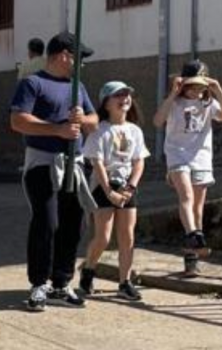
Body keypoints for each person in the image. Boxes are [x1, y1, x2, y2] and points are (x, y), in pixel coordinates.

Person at [9, 32, 99, 311]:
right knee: (47, 222)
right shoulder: (32, 83)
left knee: (74, 223)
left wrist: (82, 119)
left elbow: (94, 121)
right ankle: (39, 283)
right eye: (79, 58)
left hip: (75, 164)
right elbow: (18, 121)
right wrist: (57, 129)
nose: (81, 64)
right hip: (43, 164)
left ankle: (61, 282)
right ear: (63, 55)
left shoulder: (77, 87)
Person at [153, 60, 222, 277]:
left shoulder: (208, 104)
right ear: (184, 84)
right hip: (177, 156)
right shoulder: (175, 103)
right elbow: (158, 120)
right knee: (186, 196)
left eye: (201, 86)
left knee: (197, 208)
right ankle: (194, 235)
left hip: (201, 158)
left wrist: (219, 91)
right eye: (193, 85)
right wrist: (173, 94)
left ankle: (191, 258)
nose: (197, 90)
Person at [80, 81, 149, 302]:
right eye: (118, 95)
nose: (125, 98)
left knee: (127, 236)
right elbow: (97, 163)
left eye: (127, 94)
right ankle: (89, 269)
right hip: (103, 186)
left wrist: (130, 187)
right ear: (106, 103)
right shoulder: (99, 130)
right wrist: (109, 191)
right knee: (103, 236)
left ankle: (124, 282)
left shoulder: (135, 130)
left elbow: (139, 162)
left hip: (127, 185)